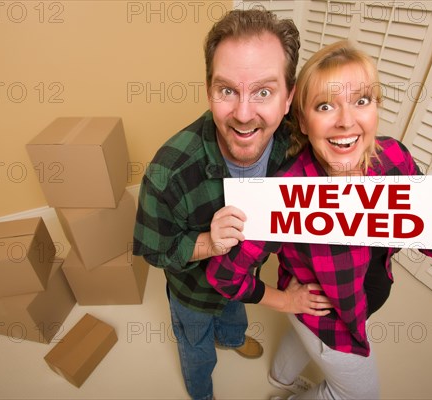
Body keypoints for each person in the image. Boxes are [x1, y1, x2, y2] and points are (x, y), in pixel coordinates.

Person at [206, 40, 432, 399]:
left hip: (356, 303)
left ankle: (279, 382)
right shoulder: (283, 192)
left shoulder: (394, 159)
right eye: (325, 106)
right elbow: (223, 276)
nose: (346, 121)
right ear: (303, 120)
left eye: (361, 101)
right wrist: (285, 302)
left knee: (299, 337)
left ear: (375, 109)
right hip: (330, 321)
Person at [133, 9, 331, 400]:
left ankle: (233, 338)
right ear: (209, 90)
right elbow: (155, 251)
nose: (243, 115)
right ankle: (201, 391)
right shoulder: (167, 173)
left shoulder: (300, 144)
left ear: (289, 97)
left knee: (234, 314)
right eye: (227, 90)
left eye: (263, 91)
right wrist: (207, 243)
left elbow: (370, 188)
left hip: (244, 281)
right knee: (196, 346)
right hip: (193, 293)